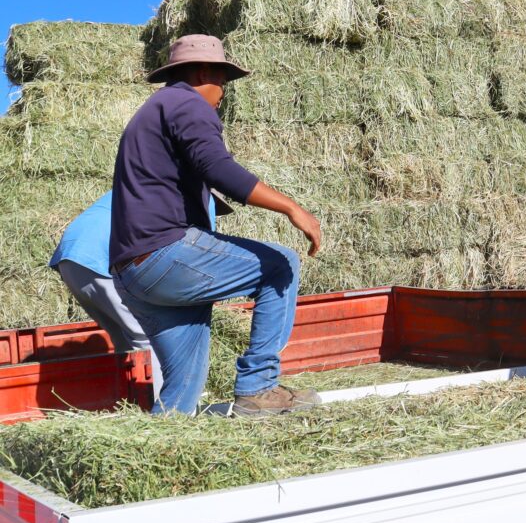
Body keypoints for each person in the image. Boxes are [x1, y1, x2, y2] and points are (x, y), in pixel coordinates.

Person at [110, 34, 323, 417]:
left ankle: (161, 461)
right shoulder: (187, 104)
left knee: (181, 391)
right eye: (223, 80)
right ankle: (259, 386)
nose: (223, 92)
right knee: (281, 265)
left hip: (132, 273)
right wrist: (292, 208)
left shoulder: (154, 109)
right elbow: (218, 168)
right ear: (204, 72)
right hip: (163, 254)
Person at [49, 190, 214, 403]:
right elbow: (198, 258)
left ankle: (129, 402)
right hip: (99, 257)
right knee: (149, 335)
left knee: (124, 340)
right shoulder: (202, 196)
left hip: (72, 256)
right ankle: (166, 411)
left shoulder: (149, 180)